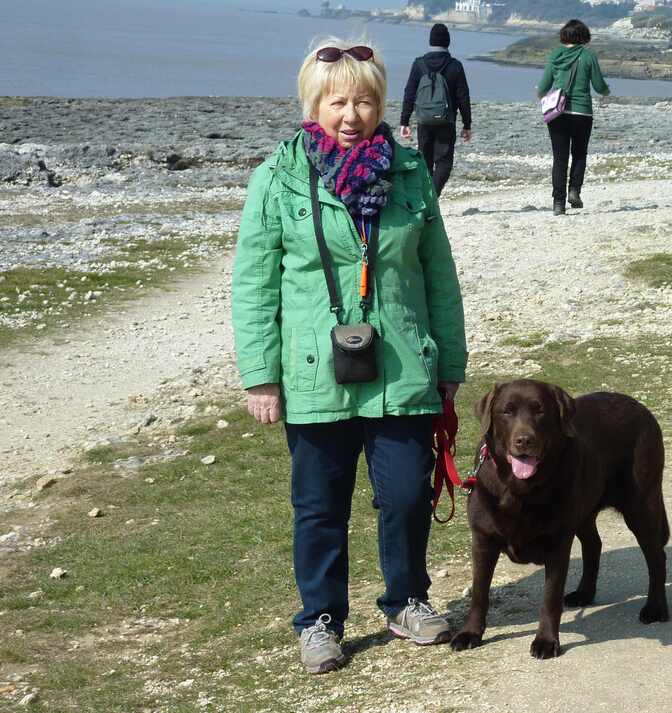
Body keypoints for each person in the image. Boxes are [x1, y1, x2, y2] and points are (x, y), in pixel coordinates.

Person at [231, 37, 468, 675]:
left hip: (401, 369)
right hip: (313, 374)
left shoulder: (411, 173)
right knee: (319, 507)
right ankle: (321, 619)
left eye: (364, 100)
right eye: (338, 100)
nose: (351, 114)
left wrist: (450, 364)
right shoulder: (278, 175)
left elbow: (439, 277)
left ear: (381, 103)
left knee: (407, 496)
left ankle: (407, 600)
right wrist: (260, 376)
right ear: (314, 101)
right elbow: (254, 283)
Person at [536, 19, 610, 215]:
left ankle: (558, 204)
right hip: (582, 113)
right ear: (584, 37)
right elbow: (599, 85)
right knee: (579, 154)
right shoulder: (588, 56)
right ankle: (574, 191)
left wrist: (541, 94)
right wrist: (607, 92)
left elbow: (543, 86)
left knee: (559, 159)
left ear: (564, 36)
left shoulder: (555, 55)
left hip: (557, 113)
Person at [399, 23, 472, 196]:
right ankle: (433, 196)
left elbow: (409, 92)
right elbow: (463, 96)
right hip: (446, 121)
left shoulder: (419, 65)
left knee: (424, 162)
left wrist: (404, 121)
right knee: (444, 162)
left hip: (424, 121)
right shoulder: (455, 66)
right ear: (448, 42)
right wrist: (467, 124)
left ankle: (427, 197)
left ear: (430, 41)